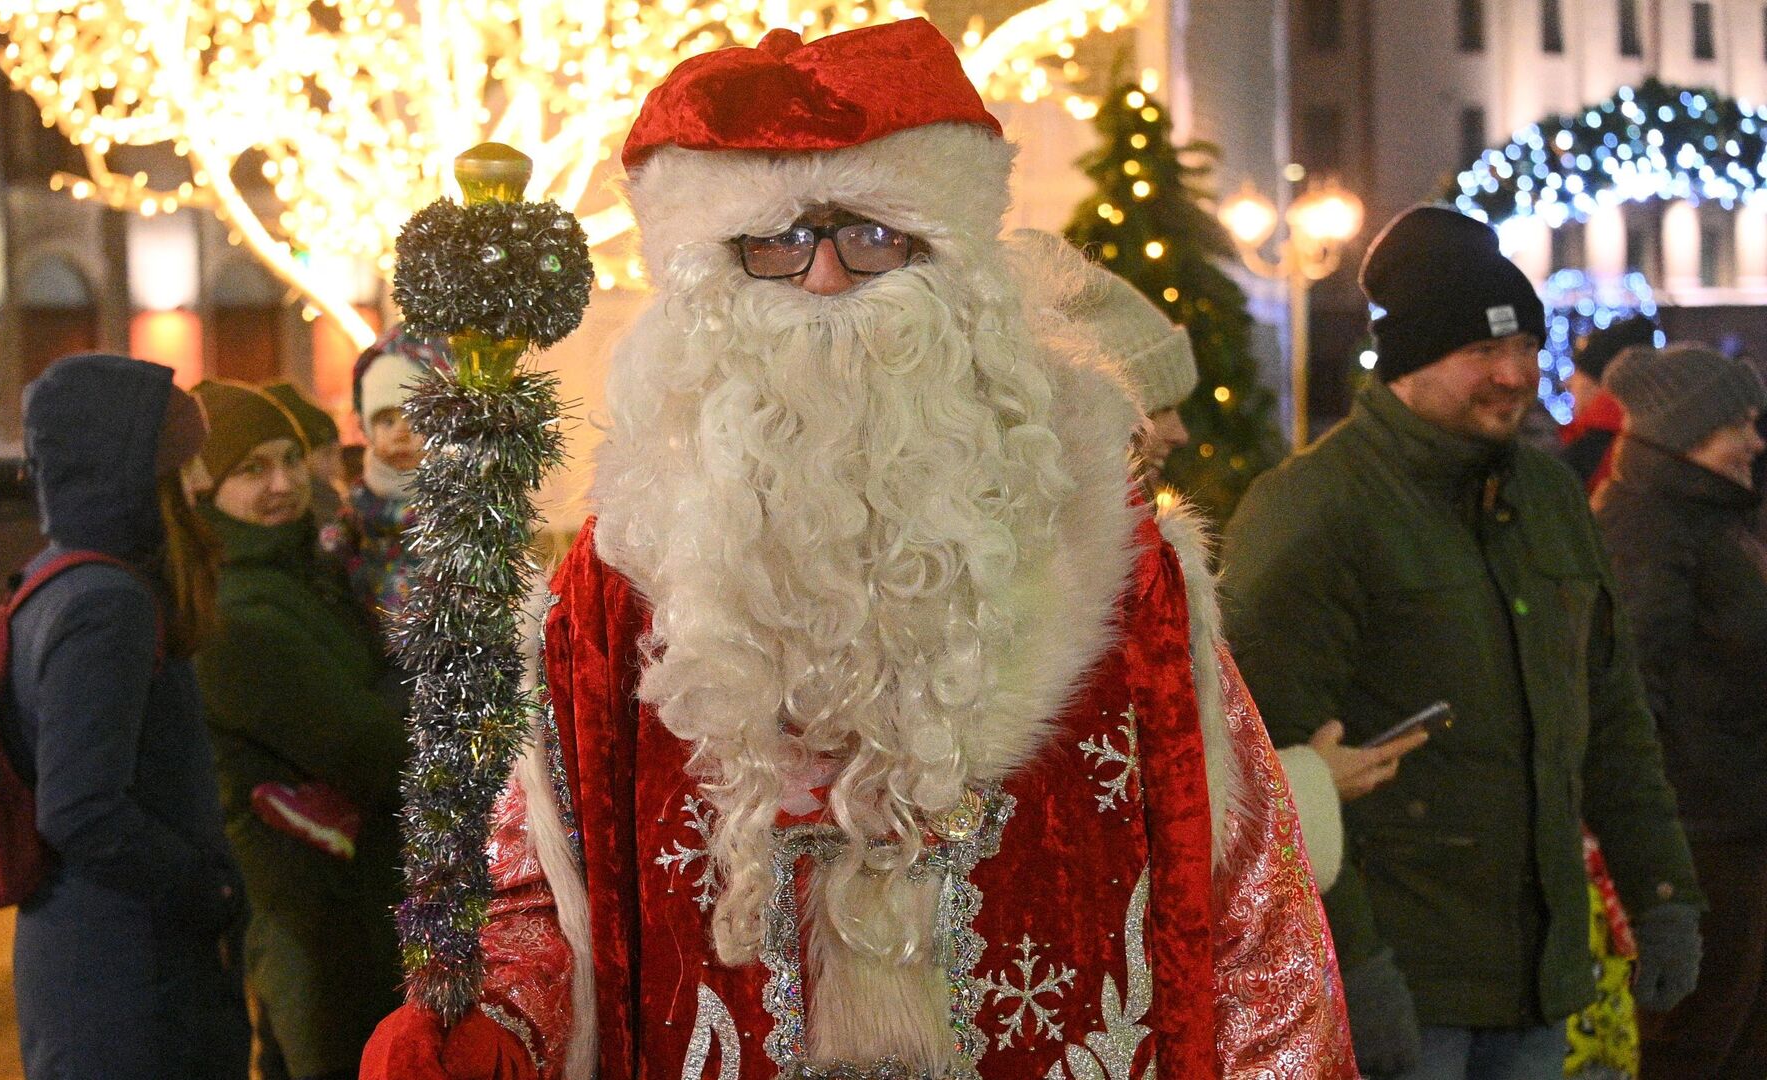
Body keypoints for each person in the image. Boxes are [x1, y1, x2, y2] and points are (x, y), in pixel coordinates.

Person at [361, 20, 1352, 1080]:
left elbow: (1252, 917)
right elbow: (532, 900)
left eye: (873, 236)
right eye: (778, 242)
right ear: (714, 279)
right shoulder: (613, 594)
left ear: (954, 267)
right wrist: (493, 1027)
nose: (827, 280)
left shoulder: (1119, 572)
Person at [1220, 205, 1705, 1080]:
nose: (1515, 373)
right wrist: (1353, 971)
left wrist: (1662, 891)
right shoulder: (1317, 508)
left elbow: (1612, 717)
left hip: (1538, 979)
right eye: (1483, 349)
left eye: (1525, 345)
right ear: (1410, 360)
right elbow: (1267, 764)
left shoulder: (1549, 500)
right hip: (1405, 981)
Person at [1011, 227, 1425, 893]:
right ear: (1084, 410)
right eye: (1158, 408)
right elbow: (1111, 815)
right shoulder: (1079, 577)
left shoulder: (1125, 556)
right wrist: (1310, 785)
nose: (1179, 432)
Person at [11, 353, 250, 1080]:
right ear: (134, 475)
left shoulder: (60, 579)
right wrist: (208, 889)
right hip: (130, 984)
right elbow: (80, 810)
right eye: (183, 463)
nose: (200, 481)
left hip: (107, 967)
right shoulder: (106, 605)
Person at [190, 380, 413, 1080]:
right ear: (206, 486)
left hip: (349, 902)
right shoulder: (237, 612)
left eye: (289, 459)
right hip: (311, 921)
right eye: (252, 469)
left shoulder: (301, 573)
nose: (283, 484)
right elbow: (373, 750)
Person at [1592, 344, 1767, 1079]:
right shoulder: (1646, 529)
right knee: (1695, 1036)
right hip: (1700, 834)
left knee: (1738, 1034)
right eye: (1739, 425)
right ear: (1687, 434)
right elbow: (1631, 692)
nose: (1755, 441)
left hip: (1735, 821)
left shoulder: (1713, 520)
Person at [326, 329, 448, 623]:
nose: (400, 433)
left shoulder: (454, 500)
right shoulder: (356, 508)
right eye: (386, 420)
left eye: (415, 418)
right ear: (367, 428)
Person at [1560, 314, 1661, 493]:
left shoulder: (1591, 449)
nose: (1567, 383)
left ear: (1596, 380)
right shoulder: (1654, 437)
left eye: (1577, 372)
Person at [266, 381, 350, 523]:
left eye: (338, 454)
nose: (338, 468)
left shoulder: (335, 505)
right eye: (327, 454)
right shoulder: (317, 515)